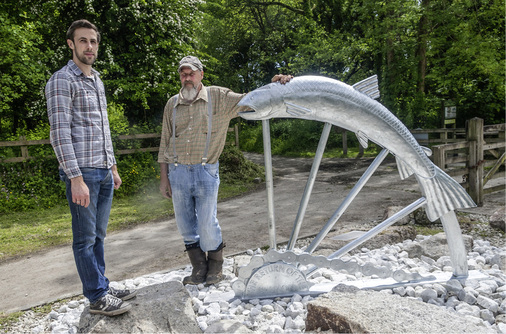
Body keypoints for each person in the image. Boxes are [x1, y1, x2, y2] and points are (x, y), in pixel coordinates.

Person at [158, 55, 292, 285]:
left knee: (207, 222)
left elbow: (252, 100)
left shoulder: (218, 97)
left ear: (201, 74)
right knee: (185, 222)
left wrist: (275, 84)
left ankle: (215, 266)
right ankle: (199, 267)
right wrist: (164, 178)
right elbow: (164, 142)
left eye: (191, 74)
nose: (187, 78)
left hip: (205, 169)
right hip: (177, 171)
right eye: (183, 74)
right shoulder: (172, 104)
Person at [45, 19, 136, 316]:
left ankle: (102, 284)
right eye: (83, 41)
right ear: (71, 44)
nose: (89, 47)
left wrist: (113, 166)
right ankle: (97, 297)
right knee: (84, 238)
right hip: (82, 173)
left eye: (93, 41)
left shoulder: (96, 79)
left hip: (103, 170)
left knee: (98, 236)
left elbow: (103, 127)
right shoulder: (62, 80)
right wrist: (75, 178)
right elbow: (59, 133)